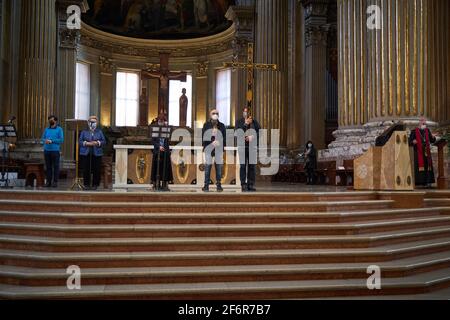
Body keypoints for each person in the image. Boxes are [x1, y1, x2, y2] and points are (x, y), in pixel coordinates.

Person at [409, 117, 439, 188]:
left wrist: (434, 137)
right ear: (419, 122)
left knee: (427, 166)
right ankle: (419, 182)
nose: (424, 122)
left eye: (424, 121)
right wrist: (413, 142)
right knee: (419, 167)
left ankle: (427, 182)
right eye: (422, 121)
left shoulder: (427, 130)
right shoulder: (414, 131)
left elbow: (432, 140)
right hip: (418, 152)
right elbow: (409, 141)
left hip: (426, 151)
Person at [236, 107, 261, 192]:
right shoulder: (239, 122)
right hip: (242, 147)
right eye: (244, 111)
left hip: (252, 147)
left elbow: (260, 132)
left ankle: (250, 184)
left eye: (247, 112)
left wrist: (253, 136)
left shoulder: (254, 122)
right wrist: (245, 124)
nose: (245, 113)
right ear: (243, 112)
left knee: (252, 167)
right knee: (243, 166)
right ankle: (243, 184)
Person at [79, 116, 106, 191]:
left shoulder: (99, 132)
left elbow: (104, 142)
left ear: (97, 123)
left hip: (96, 153)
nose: (92, 123)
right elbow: (80, 141)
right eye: (91, 122)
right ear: (88, 123)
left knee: (96, 169)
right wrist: (86, 143)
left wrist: (97, 142)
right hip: (86, 152)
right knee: (86, 169)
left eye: (94, 122)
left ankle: (95, 184)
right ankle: (86, 184)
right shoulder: (84, 131)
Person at [202, 109, 226, 192]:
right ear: (210, 115)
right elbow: (203, 137)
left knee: (219, 168)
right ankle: (206, 185)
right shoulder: (206, 125)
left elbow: (225, 138)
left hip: (218, 149)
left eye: (217, 113)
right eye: (213, 113)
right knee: (208, 167)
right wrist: (211, 142)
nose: (215, 114)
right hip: (209, 148)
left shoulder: (222, 125)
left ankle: (219, 185)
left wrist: (219, 142)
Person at [151, 112, 173, 191]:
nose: (162, 121)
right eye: (160, 120)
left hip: (165, 151)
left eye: (163, 120)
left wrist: (167, 126)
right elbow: (153, 141)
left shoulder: (166, 128)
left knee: (165, 168)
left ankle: (165, 185)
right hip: (157, 151)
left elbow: (168, 139)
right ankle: (156, 184)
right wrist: (159, 146)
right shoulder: (155, 128)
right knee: (157, 168)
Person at [41, 115, 64, 188]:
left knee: (56, 167)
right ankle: (48, 182)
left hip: (55, 151)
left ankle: (55, 182)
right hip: (47, 150)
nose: (50, 121)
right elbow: (42, 138)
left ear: (55, 121)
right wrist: (46, 141)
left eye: (52, 119)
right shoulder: (46, 129)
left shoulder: (59, 129)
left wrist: (52, 141)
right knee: (48, 167)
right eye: (49, 119)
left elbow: (61, 140)